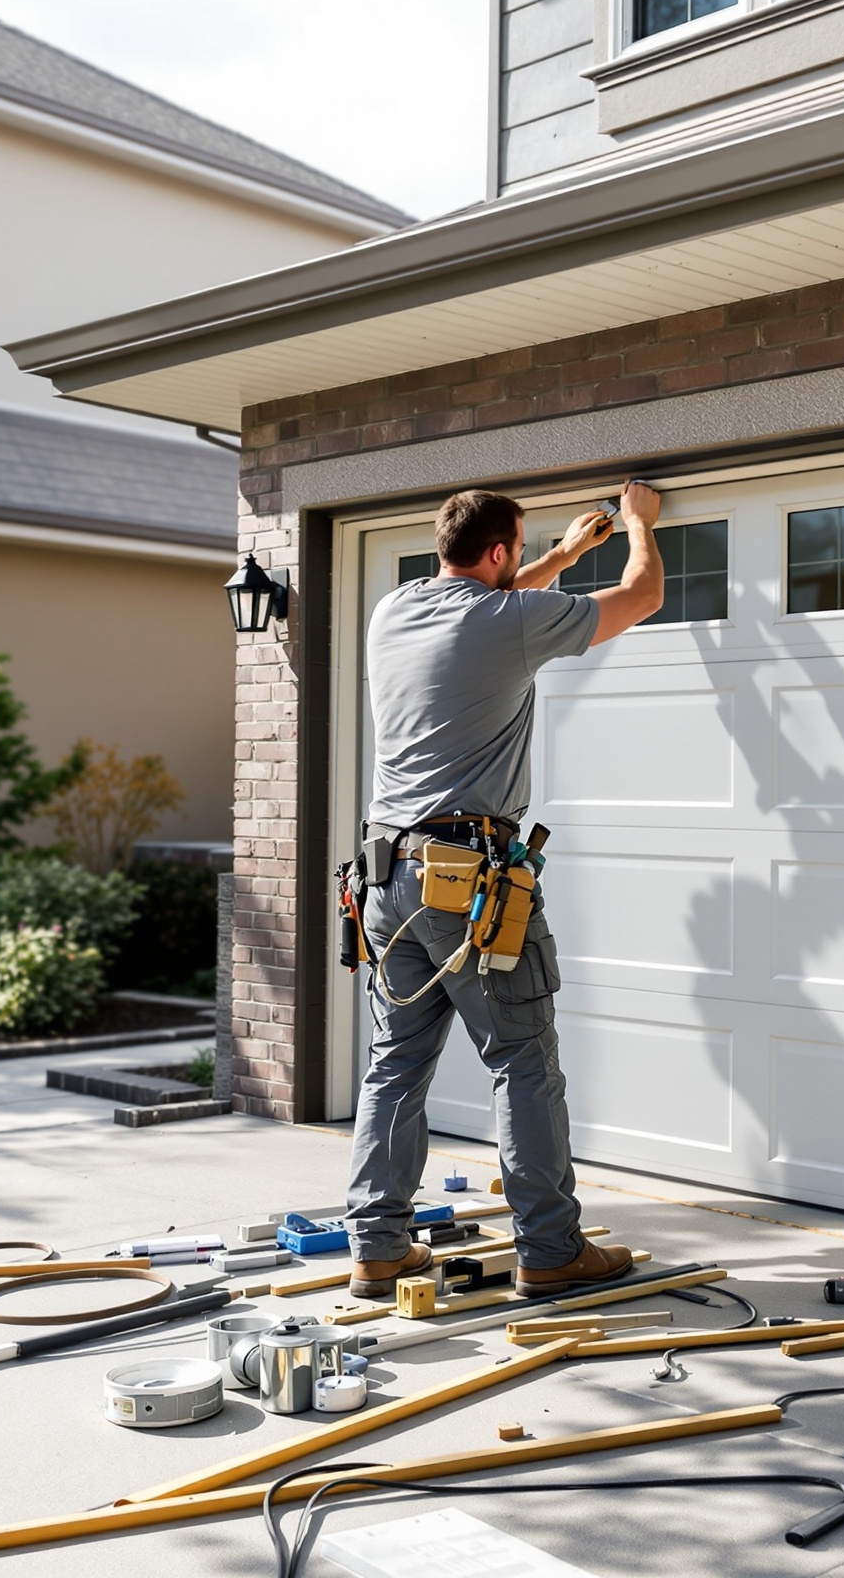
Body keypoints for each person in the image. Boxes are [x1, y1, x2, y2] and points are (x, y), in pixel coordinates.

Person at [343, 480, 667, 1299]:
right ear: (497, 553)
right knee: (523, 1057)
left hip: (384, 882)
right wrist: (636, 525)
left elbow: (491, 602)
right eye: (518, 551)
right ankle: (551, 1249)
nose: (521, 565)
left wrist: (559, 555)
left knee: (395, 1064)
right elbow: (643, 595)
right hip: (467, 880)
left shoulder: (396, 611)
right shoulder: (509, 620)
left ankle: (377, 1246)